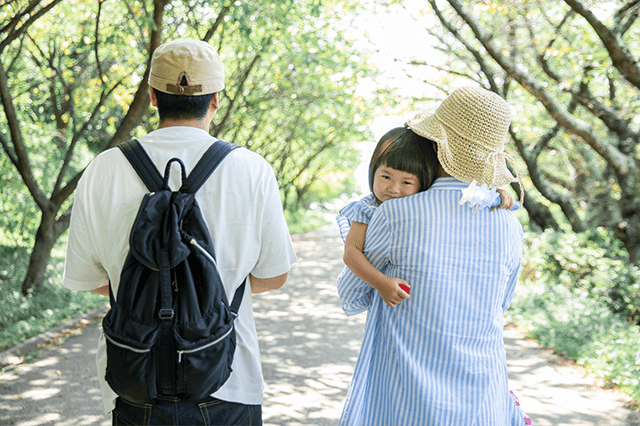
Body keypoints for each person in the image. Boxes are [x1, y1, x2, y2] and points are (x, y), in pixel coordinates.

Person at [62, 39, 297, 425]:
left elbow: (92, 280)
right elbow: (274, 276)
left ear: (152, 96)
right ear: (217, 99)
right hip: (227, 380)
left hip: (136, 380)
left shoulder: (103, 169)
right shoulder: (252, 169)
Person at [336, 86, 531, 425]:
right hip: (482, 401)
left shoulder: (395, 214)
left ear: (436, 145)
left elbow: (352, 296)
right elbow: (500, 305)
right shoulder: (509, 225)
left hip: (406, 400)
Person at [337, 126, 514, 309]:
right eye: (386, 177)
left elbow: (462, 191)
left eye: (406, 182)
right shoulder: (366, 209)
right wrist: (381, 282)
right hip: (377, 285)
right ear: (373, 171)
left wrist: (497, 191)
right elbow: (351, 253)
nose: (394, 188)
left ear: (422, 182)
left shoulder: (420, 202)